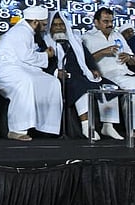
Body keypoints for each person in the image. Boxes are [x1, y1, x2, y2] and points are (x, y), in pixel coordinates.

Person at [44, 11, 123, 141]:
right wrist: (56, 72)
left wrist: (93, 68)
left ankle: (108, 126)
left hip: (83, 73)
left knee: (110, 87)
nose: (59, 28)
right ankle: (87, 126)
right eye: (55, 25)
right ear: (50, 27)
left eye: (61, 25)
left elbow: (87, 57)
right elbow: (43, 63)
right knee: (82, 87)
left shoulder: (74, 40)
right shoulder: (45, 42)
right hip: (66, 78)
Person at [0, 6, 63, 141]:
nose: (45, 27)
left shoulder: (28, 31)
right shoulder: (21, 31)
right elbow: (26, 57)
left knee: (52, 82)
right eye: (43, 24)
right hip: (5, 68)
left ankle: (47, 127)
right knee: (26, 82)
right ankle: (16, 130)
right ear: (35, 22)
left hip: (20, 67)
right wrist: (46, 55)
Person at [82, 7, 135, 137]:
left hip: (125, 72)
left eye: (111, 21)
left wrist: (129, 58)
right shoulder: (86, 38)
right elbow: (84, 61)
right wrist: (103, 52)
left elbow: (134, 60)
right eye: (105, 21)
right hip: (106, 74)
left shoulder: (117, 36)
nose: (110, 24)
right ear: (96, 22)